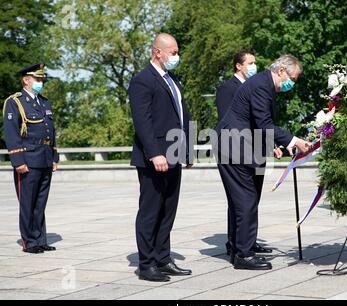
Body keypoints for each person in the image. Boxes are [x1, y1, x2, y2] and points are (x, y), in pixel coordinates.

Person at [215, 54, 311, 270]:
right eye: (292, 79)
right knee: (245, 200)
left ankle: (243, 245)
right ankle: (243, 255)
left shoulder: (264, 84)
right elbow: (264, 123)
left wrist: (277, 144)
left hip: (247, 147)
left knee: (247, 200)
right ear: (281, 71)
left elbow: (259, 124)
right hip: (234, 149)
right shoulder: (261, 85)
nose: (292, 84)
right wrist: (293, 140)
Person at [129, 33, 192, 282]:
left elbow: (182, 116)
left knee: (168, 210)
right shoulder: (143, 81)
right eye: (173, 52)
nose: (177, 56)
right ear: (158, 52)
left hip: (174, 153)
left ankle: (163, 258)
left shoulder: (172, 80)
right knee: (151, 210)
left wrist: (186, 151)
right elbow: (142, 121)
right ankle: (147, 265)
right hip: (154, 158)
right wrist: (155, 152)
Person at [215, 51, 281, 263]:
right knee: (242, 201)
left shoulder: (258, 87)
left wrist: (272, 144)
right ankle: (236, 244)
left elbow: (263, 119)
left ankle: (247, 242)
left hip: (257, 151)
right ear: (238, 66)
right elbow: (235, 123)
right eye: (250, 63)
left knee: (252, 200)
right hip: (239, 150)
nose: (254, 66)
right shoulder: (228, 89)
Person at [2, 63, 59, 254]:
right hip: (27, 160)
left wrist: (54, 157)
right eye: (37, 79)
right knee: (28, 203)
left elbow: (50, 132)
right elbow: (11, 133)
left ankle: (40, 239)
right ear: (26, 80)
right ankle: (30, 242)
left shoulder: (44, 102)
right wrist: (18, 161)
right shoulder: (15, 102)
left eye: (42, 79)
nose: (40, 82)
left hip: (44, 158)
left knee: (40, 202)